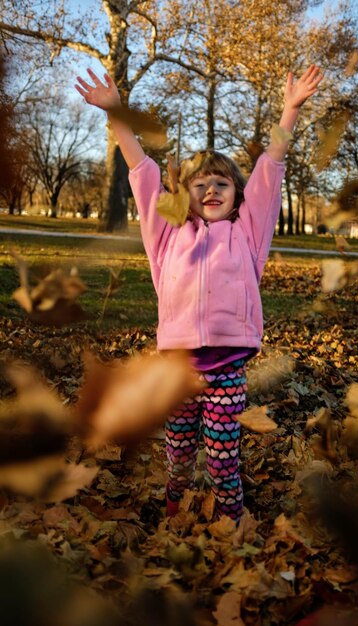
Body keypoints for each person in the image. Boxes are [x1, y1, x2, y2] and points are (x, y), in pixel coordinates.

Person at [75, 64, 323, 521]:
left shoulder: (248, 233)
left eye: (222, 183)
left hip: (227, 371)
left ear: (237, 194)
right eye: (200, 184)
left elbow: (270, 170)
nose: (211, 189)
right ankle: (175, 512)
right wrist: (117, 116)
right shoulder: (168, 235)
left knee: (224, 460)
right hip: (177, 372)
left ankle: (231, 522)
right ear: (185, 196)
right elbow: (142, 172)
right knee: (179, 456)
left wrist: (289, 111)